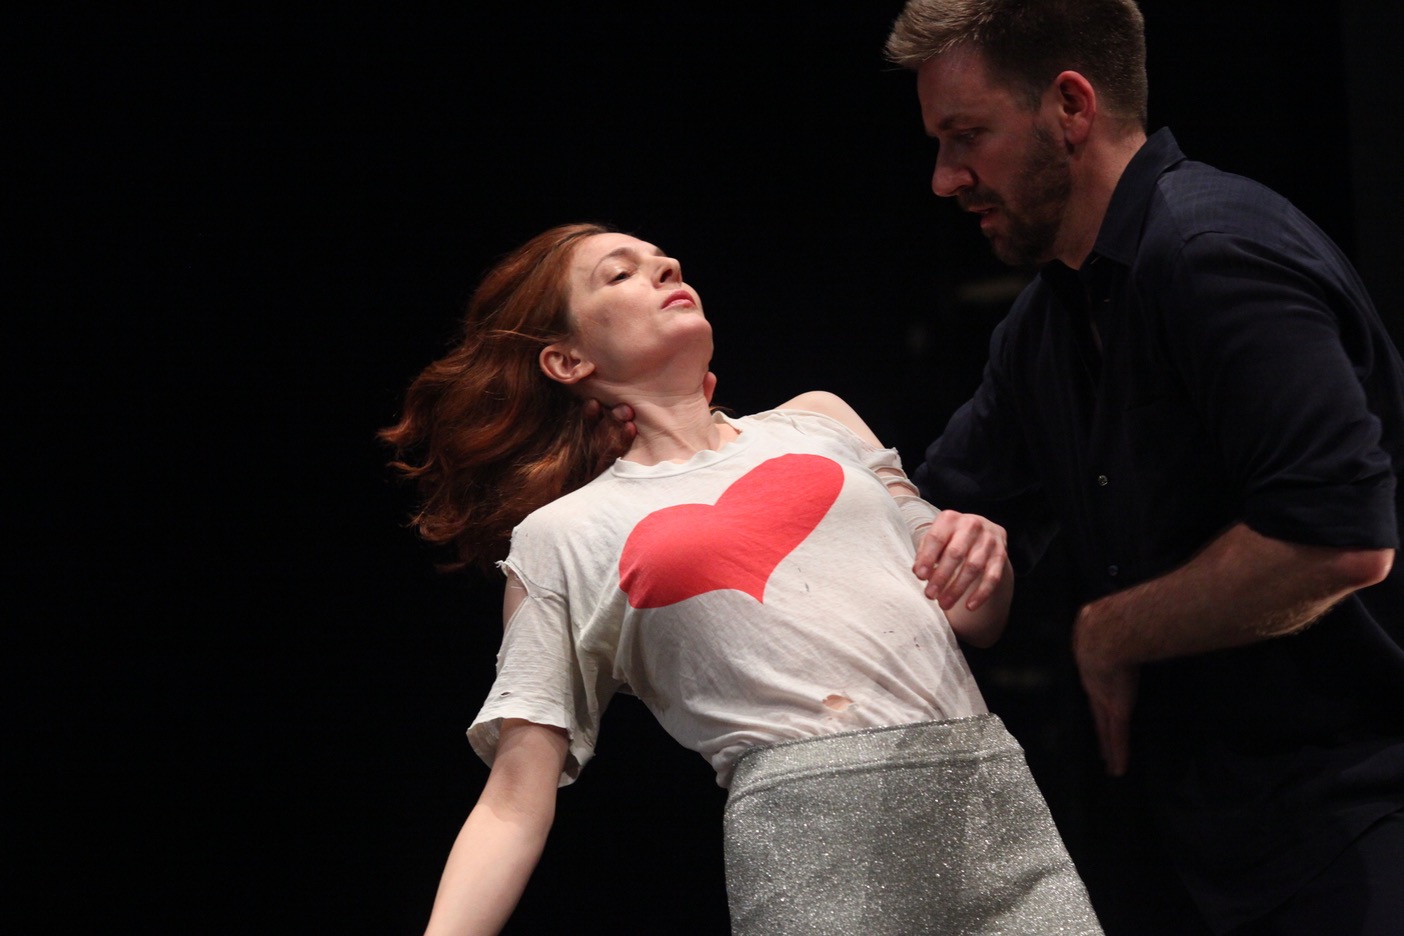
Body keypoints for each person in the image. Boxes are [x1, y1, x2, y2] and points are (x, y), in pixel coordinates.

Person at [381, 222, 1104, 935]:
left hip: (986, 801)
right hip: (813, 847)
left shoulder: (818, 422)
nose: (667, 268)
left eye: (664, 259)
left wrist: (979, 547)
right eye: (621, 273)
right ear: (566, 360)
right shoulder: (566, 533)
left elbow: (974, 617)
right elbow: (514, 802)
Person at [882, 1, 1404, 934]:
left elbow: (1335, 539)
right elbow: (925, 508)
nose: (945, 178)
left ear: (1070, 106)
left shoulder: (1213, 252)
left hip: (1354, 820)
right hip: (1187, 844)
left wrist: (1111, 632)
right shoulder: (1041, 328)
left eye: (967, 136)